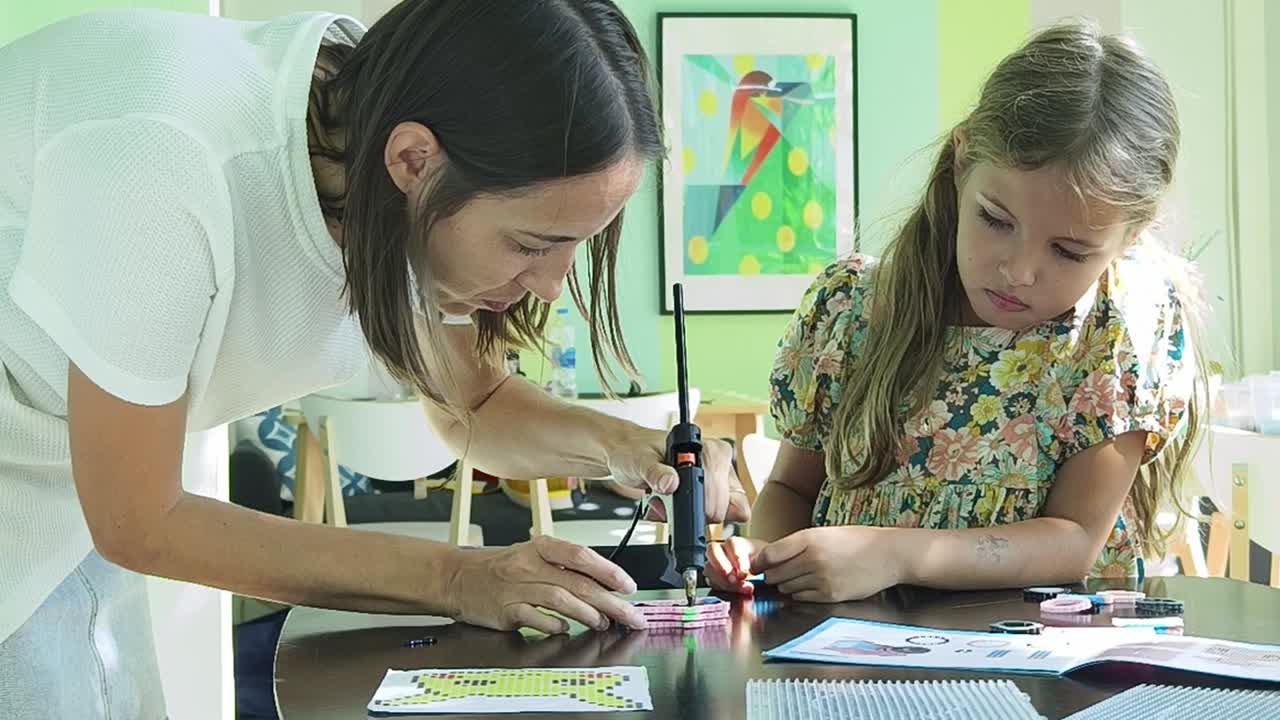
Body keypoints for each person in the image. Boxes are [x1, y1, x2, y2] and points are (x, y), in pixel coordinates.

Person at [0, 1, 750, 716]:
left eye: (575, 245)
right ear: (413, 159)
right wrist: (461, 577)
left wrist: (634, 450)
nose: (552, 285)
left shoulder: (391, 142)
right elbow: (139, 517)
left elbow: (473, 404)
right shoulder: (166, 159)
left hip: (71, 483)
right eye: (530, 244)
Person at [708, 21, 1205, 603]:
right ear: (962, 157)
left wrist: (895, 552)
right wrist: (767, 561)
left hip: (1037, 670)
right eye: (996, 220)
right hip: (847, 661)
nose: (1019, 271)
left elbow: (1073, 540)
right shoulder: (851, 308)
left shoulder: (1117, 330)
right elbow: (791, 489)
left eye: (1068, 251)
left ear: (1133, 234)